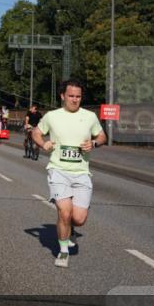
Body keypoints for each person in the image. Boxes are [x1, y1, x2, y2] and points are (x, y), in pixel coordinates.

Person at [30, 80, 105, 268]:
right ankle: (63, 251)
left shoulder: (89, 116)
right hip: (58, 171)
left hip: (81, 172)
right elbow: (36, 132)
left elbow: (102, 136)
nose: (74, 100)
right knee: (64, 211)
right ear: (62, 96)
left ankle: (70, 230)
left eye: (78, 97)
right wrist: (43, 143)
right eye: (71, 96)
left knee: (78, 219)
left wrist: (94, 143)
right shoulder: (52, 116)